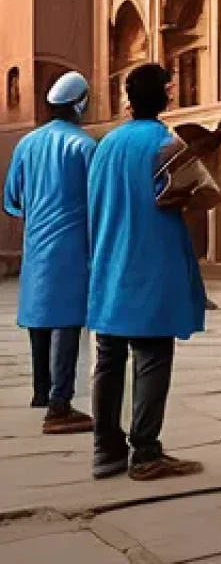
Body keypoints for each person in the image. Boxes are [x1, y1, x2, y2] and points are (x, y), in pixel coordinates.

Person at [87, 63, 205, 481]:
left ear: (127, 99)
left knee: (109, 356)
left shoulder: (104, 146)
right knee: (152, 355)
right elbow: (207, 193)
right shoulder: (167, 145)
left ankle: (106, 449)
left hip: (108, 264)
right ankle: (146, 452)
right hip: (151, 265)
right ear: (167, 95)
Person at [3, 72, 95, 435]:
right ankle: (60, 403)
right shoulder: (84, 146)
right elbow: (97, 199)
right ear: (80, 103)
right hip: (72, 245)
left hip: (36, 243)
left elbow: (12, 198)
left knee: (40, 315)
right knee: (67, 320)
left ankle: (41, 391)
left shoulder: (27, 144)